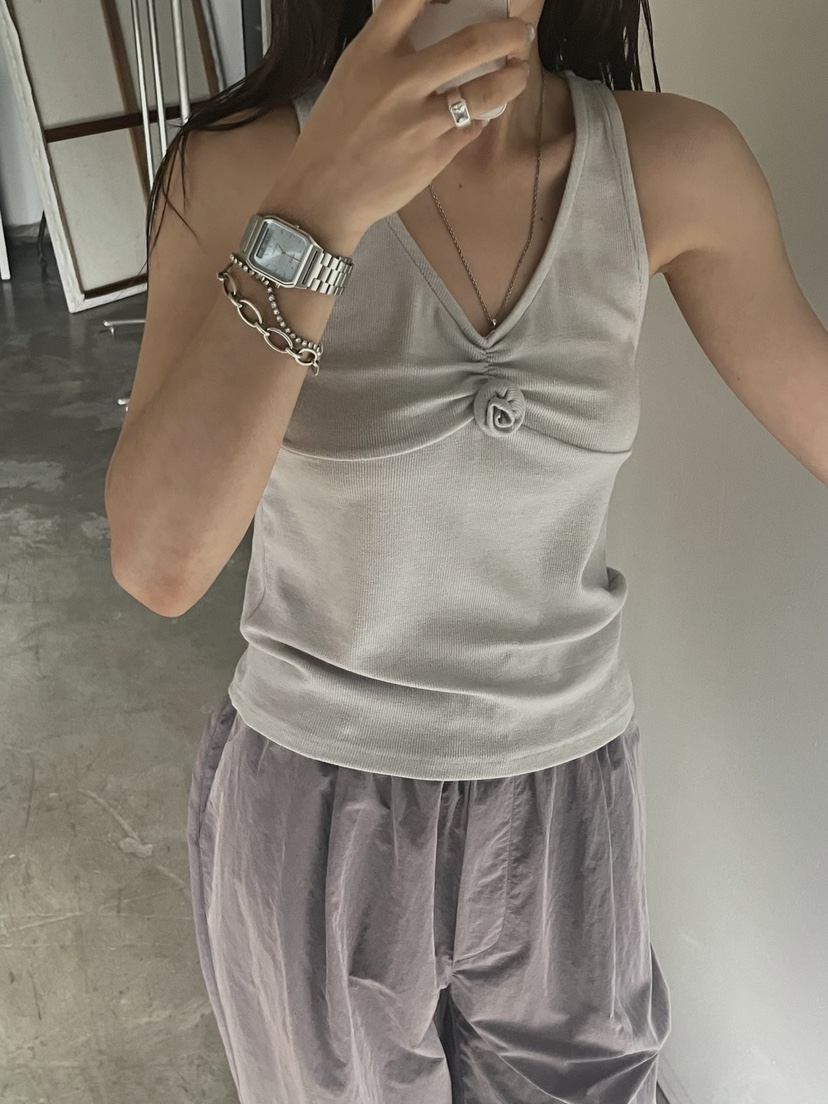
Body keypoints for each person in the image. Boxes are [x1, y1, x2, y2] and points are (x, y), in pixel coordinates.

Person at [106, 0, 823, 1100]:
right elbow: (161, 563)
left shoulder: (673, 164)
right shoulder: (238, 166)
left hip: (566, 805)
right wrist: (324, 199)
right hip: (319, 809)